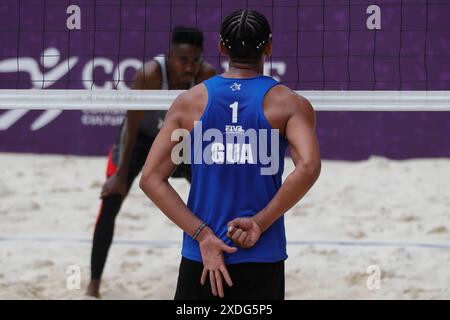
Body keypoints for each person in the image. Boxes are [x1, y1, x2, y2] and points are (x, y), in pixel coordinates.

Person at [139, 9, 321, 300]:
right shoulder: (290, 104)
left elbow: (150, 179)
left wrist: (204, 235)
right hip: (262, 251)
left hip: (203, 254)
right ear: (270, 47)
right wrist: (260, 223)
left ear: (222, 48)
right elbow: (309, 167)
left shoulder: (189, 103)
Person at [86, 26, 217, 298]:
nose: (189, 67)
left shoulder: (207, 77)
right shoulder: (150, 75)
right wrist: (120, 175)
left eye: (195, 60)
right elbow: (129, 127)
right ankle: (93, 285)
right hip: (141, 141)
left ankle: (216, 270)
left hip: (180, 141)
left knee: (215, 199)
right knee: (110, 200)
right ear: (169, 56)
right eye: (183, 60)